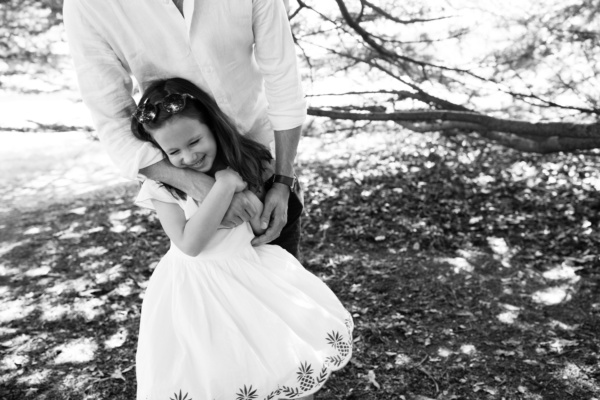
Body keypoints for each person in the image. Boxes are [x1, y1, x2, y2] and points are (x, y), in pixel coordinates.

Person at [130, 77, 352, 400]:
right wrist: (223, 186)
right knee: (216, 369)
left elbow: (262, 223)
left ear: (212, 126)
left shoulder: (248, 161)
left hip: (250, 273)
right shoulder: (162, 187)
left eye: (195, 142)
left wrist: (243, 185)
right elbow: (190, 244)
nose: (188, 157)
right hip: (195, 290)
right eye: (173, 151)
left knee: (276, 355)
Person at [63, 0, 306, 257]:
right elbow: (112, 117)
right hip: (185, 186)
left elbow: (284, 78)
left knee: (284, 287)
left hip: (266, 171)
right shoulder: (86, 5)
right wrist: (210, 192)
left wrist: (282, 181)